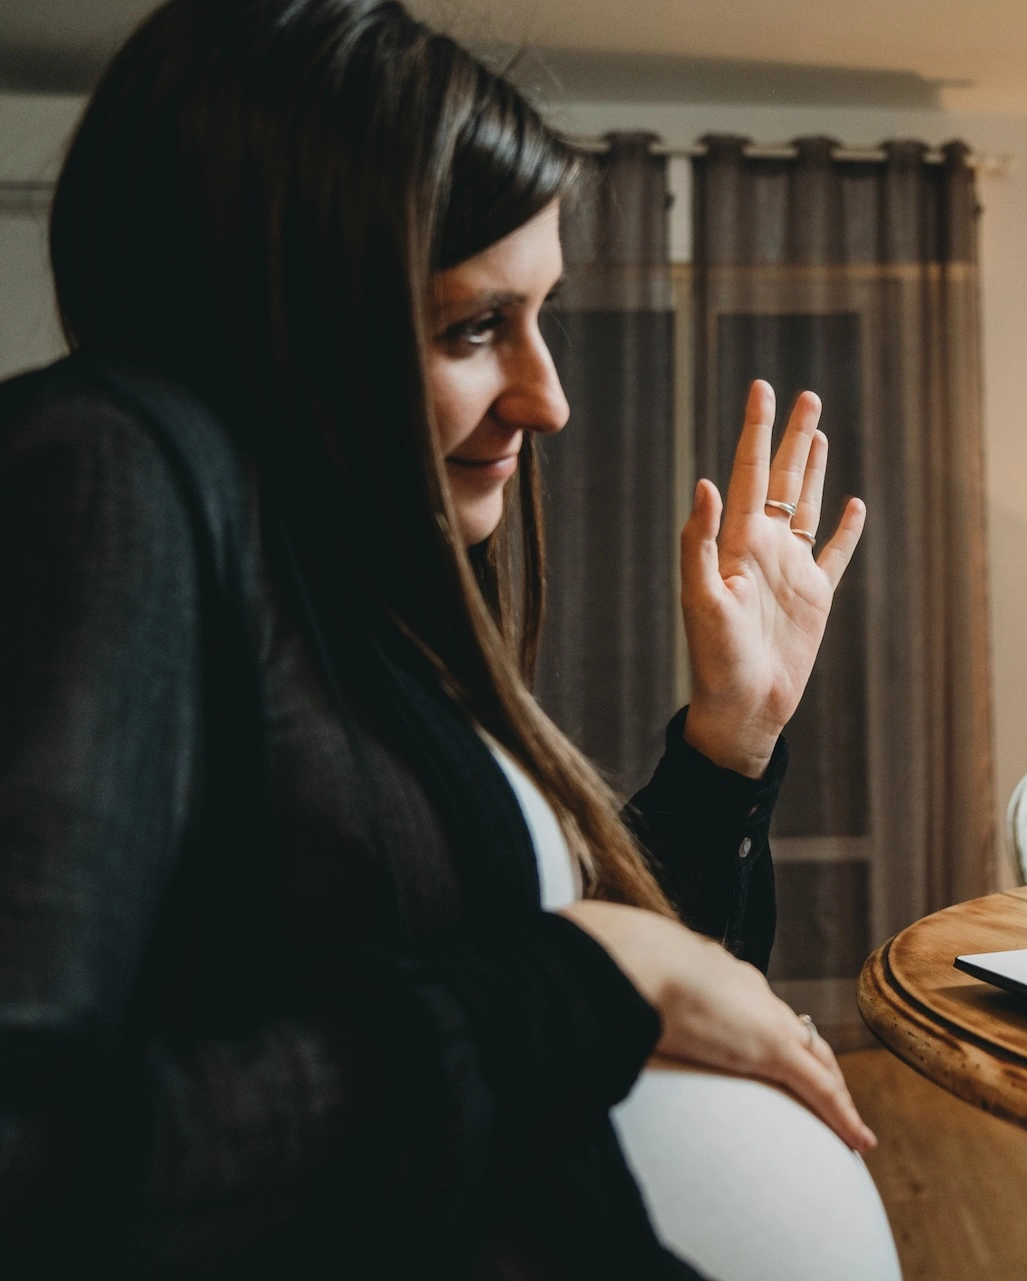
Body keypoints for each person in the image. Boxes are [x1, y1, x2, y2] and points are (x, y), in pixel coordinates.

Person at [0, 2, 891, 1275]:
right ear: (273, 303)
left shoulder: (339, 583)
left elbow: (601, 987)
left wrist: (727, 744)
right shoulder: (112, 464)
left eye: (541, 318)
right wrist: (575, 980)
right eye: (471, 327)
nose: (551, 399)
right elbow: (32, 1165)